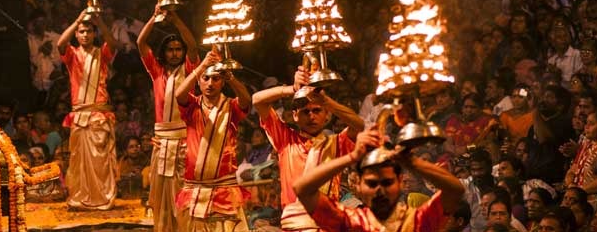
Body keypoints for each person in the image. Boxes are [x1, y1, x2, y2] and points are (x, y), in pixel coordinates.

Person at [251, 65, 364, 231]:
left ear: (327, 115)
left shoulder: (336, 143)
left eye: (317, 110)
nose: (311, 116)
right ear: (295, 116)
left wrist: (325, 101)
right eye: (305, 112)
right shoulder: (286, 140)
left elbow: (359, 125)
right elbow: (257, 100)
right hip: (293, 225)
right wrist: (293, 89)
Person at [293, 130, 465, 231]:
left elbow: (455, 190)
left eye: (387, 183)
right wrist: (353, 156)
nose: (379, 190)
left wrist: (411, 161)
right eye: (372, 183)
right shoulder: (350, 222)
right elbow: (302, 188)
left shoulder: (417, 221)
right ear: (358, 186)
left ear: (401, 182)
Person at [174, 47, 251, 231]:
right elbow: (179, 94)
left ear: (222, 82)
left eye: (216, 78)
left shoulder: (231, 106)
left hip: (224, 188)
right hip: (195, 188)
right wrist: (202, 66)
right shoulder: (192, 106)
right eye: (205, 78)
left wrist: (230, 76)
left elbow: (246, 100)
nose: (210, 83)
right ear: (199, 81)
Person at [137, 6, 199, 232]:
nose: (174, 53)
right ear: (164, 53)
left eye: (177, 49)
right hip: (161, 141)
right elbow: (141, 43)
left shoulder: (190, 69)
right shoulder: (157, 71)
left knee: (183, 191)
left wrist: (175, 19)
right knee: (162, 192)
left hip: (184, 139)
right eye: (170, 50)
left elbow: (193, 45)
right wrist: (154, 17)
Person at [57, 9, 119, 211]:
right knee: (78, 162)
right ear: (76, 34)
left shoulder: (102, 53)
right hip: (79, 114)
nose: (85, 35)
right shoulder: (72, 55)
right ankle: (81, 198)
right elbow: (60, 44)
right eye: (81, 32)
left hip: (98, 114)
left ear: (94, 34)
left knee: (100, 161)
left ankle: (101, 199)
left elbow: (114, 43)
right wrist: (77, 20)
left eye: (89, 31)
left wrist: (98, 20)